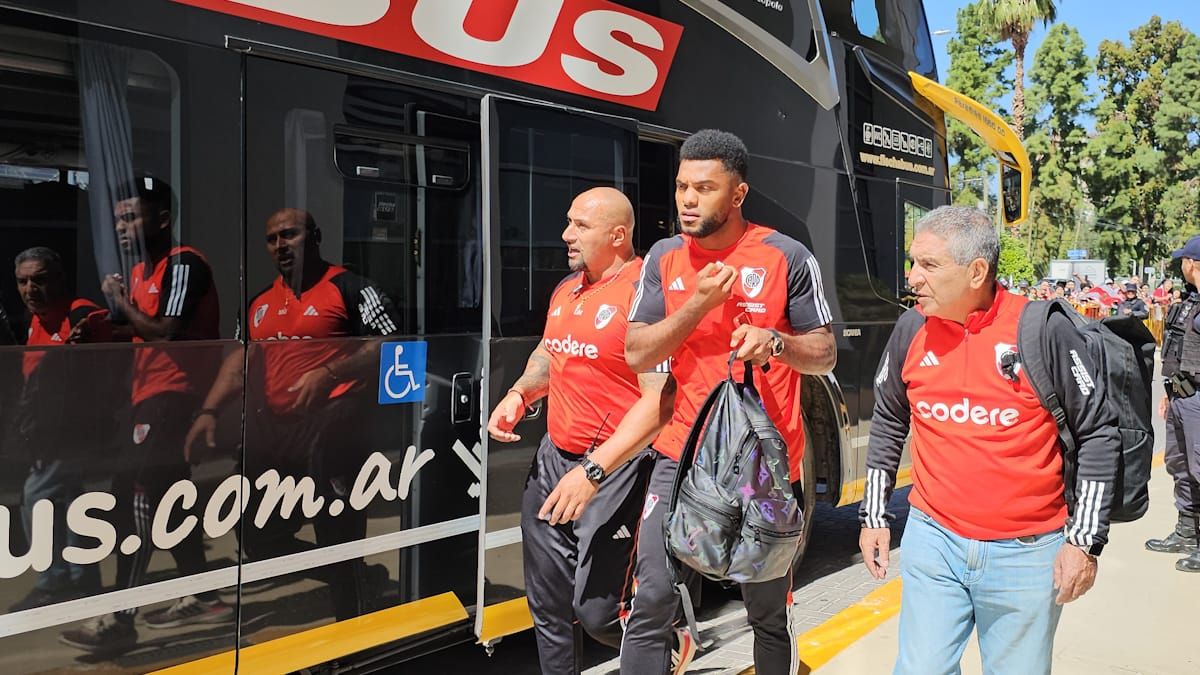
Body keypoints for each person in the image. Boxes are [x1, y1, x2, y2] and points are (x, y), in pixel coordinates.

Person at [859, 206, 1120, 674]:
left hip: (1028, 553)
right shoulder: (911, 328)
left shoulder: (1043, 330)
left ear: (976, 271)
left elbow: (1099, 433)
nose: (912, 278)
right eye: (912, 262)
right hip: (933, 540)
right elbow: (888, 420)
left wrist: (1083, 542)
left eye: (928, 265)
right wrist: (875, 515)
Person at [622, 129, 836, 675]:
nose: (688, 200)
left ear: (737, 195)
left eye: (704, 188)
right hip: (679, 458)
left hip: (763, 467)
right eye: (681, 187)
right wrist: (697, 304)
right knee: (650, 602)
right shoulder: (665, 258)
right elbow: (637, 352)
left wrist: (776, 343)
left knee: (764, 612)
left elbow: (826, 353)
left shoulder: (785, 254)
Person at [486, 188, 673, 675]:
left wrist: (592, 472)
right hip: (554, 460)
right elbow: (551, 352)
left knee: (596, 612)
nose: (566, 235)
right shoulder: (567, 289)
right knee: (548, 606)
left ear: (617, 235)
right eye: (569, 223)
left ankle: (665, 643)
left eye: (579, 226)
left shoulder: (644, 296)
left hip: (616, 467)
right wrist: (519, 395)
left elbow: (659, 402)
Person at [185, 208, 402, 619]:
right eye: (273, 239)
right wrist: (209, 410)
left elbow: (390, 342)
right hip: (276, 431)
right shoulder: (259, 303)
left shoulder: (350, 288)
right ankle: (353, 574)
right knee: (256, 535)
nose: (281, 245)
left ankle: (351, 625)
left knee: (337, 530)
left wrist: (330, 372)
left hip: (334, 428)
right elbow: (240, 361)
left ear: (314, 237)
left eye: (291, 235)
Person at [61, 177, 230, 654]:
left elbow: (167, 333)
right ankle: (205, 594)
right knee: (165, 498)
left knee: (138, 493)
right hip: (147, 395)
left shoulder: (184, 264)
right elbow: (134, 333)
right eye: (118, 219)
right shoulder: (140, 273)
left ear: (161, 219)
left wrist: (120, 300)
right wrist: (98, 331)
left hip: (175, 397)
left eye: (131, 217)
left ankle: (121, 616)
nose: (121, 226)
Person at [7, 247, 109, 611]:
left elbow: (101, 322)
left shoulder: (77, 311)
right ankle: (81, 580)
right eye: (23, 281)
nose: (31, 288)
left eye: (40, 279)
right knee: (65, 505)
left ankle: (54, 581)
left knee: (39, 498)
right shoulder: (36, 321)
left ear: (60, 280)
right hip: (44, 434)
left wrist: (90, 331)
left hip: (73, 433)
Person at [1145, 235, 1200, 572]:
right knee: (1180, 466)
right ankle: (1187, 533)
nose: (1180, 265)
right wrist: (1169, 390)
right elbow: (1178, 352)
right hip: (1182, 394)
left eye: (1184, 259)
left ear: (1193, 263)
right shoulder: (1190, 301)